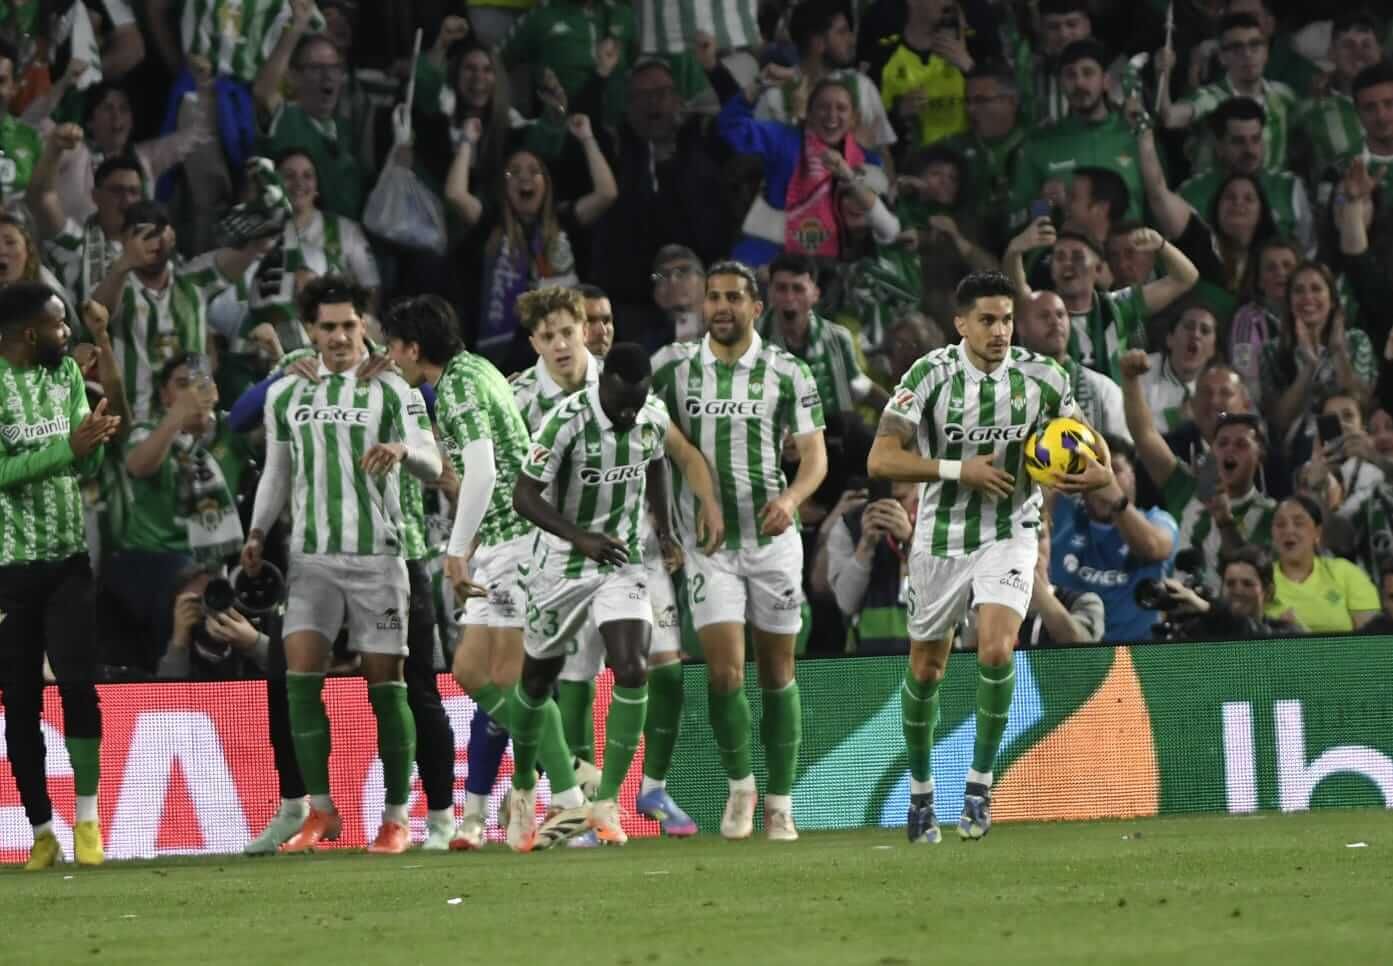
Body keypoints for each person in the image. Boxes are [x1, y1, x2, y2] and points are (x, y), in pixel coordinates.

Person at [867, 270, 1114, 844]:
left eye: (1006, 319)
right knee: (926, 669)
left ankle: (979, 787)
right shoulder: (927, 376)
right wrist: (960, 470)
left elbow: (1086, 448)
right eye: (987, 320)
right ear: (961, 324)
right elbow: (882, 458)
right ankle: (922, 792)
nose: (999, 331)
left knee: (997, 652)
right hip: (940, 539)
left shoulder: (1045, 376)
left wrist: (1089, 471)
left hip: (1011, 532)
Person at [241, 275, 443, 855]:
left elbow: (432, 463)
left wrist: (405, 452)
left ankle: (396, 816)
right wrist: (258, 531)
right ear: (310, 331)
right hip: (311, 558)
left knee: (388, 687)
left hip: (378, 555)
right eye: (327, 327)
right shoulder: (289, 391)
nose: (339, 337)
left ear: (365, 326)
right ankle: (322, 811)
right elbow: (277, 470)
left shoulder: (392, 388)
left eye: (349, 325)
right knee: (298, 679)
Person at [384, 291, 577, 853]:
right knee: (471, 670)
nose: (393, 357)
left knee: (515, 679)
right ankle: (565, 778)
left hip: (514, 542)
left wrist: (457, 547)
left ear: (415, 348)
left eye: (395, 347)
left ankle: (567, 799)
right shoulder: (474, 371)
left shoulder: (461, 385)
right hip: (499, 541)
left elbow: (486, 471)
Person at [509, 341, 723, 848]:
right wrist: (579, 536)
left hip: (619, 562)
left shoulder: (648, 418)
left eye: (638, 401)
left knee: (632, 667)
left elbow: (656, 466)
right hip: (558, 567)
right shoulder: (565, 422)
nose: (629, 413)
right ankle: (520, 788)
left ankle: (606, 804)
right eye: (622, 402)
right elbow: (523, 494)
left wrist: (665, 530)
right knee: (536, 682)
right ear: (603, 383)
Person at [652, 260, 828, 842]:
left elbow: (814, 455)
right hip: (710, 548)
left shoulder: (787, 372)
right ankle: (741, 788)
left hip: (773, 543)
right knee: (724, 673)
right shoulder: (672, 368)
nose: (722, 306)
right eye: (713, 297)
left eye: (734, 297)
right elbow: (641, 426)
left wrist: (794, 497)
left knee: (778, 671)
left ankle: (781, 800)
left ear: (757, 308)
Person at [0, 284, 122, 870]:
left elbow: (85, 459)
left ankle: (89, 818)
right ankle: (42, 829)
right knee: (20, 700)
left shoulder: (64, 377)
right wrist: (67, 448)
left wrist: (92, 443)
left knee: (79, 684)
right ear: (28, 334)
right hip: (9, 567)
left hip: (69, 557)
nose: (66, 332)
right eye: (57, 325)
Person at [105, 352, 252, 671]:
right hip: (146, 560)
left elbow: (271, 425)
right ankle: (170, 680)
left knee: (226, 594)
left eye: (200, 384)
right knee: (185, 584)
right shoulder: (147, 430)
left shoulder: (229, 431)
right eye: (181, 385)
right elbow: (138, 465)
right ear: (164, 394)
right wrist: (177, 416)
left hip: (213, 563)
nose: (191, 392)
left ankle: (228, 691)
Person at [445, 120, 618, 372]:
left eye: (534, 171)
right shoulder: (491, 224)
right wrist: (468, 141)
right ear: (503, 186)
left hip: (562, 343)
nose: (524, 177)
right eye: (513, 172)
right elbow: (455, 194)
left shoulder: (565, 220)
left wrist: (587, 138)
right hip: (501, 352)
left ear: (546, 183)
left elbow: (607, 193)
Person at [90, 199, 272, 420]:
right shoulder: (118, 288)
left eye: (157, 231)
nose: (151, 241)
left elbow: (246, 253)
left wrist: (267, 211)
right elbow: (95, 316)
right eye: (140, 233)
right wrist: (124, 263)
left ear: (172, 235)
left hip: (197, 425)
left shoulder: (193, 282)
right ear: (124, 240)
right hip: (138, 427)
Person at [1004, 219, 1198, 385]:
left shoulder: (1119, 306)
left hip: (1112, 415)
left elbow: (1186, 277)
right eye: (1059, 257)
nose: (1067, 265)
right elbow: (1018, 295)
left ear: (1098, 269)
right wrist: (1014, 251)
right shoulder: (1043, 310)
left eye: (1077, 257)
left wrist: (1161, 245)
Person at [1049, 436, 1179, 642]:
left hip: (1134, 656)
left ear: (1133, 475)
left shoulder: (1158, 520)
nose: (1101, 479)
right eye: (1095, 470)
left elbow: (1153, 548)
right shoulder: (1061, 511)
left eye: (1114, 470)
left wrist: (1116, 499)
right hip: (1065, 656)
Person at [1156, 13, 1297, 171]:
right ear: (1222, 57)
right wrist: (1163, 74)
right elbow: (1169, 117)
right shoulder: (1209, 97)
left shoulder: (1285, 96)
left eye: (1255, 45)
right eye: (1237, 47)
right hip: (1214, 193)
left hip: (1271, 193)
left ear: (1266, 52)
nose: (1247, 54)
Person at [1014, 288, 1130, 444]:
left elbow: (1122, 456)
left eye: (1060, 315)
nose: (1055, 322)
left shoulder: (1104, 389)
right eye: (1044, 316)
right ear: (1021, 327)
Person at [825, 481, 917, 654]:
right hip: (869, 659)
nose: (893, 508)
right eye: (888, 499)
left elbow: (954, 593)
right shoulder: (850, 523)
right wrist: (866, 546)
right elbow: (846, 603)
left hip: (932, 656)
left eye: (900, 499)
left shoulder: (938, 519)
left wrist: (911, 541)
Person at [1266, 495, 1379, 633]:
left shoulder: (1346, 573)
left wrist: (1305, 640)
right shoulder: (1260, 579)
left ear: (1317, 532)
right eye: (1280, 524)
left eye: (1298, 523)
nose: (1288, 530)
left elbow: (1371, 641)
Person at [1156, 544, 1297, 638]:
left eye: (1247, 584)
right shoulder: (1199, 629)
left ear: (1268, 591)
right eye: (1230, 584)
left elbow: (1250, 633)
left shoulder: (1286, 634)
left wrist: (1207, 606)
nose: (1238, 591)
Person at [1137, 305, 1220, 434]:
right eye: (1189, 327)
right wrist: (1174, 417)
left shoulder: (1219, 383)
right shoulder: (1141, 371)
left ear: (1212, 350)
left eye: (1205, 330)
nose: (1196, 334)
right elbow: (1129, 426)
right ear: (1170, 339)